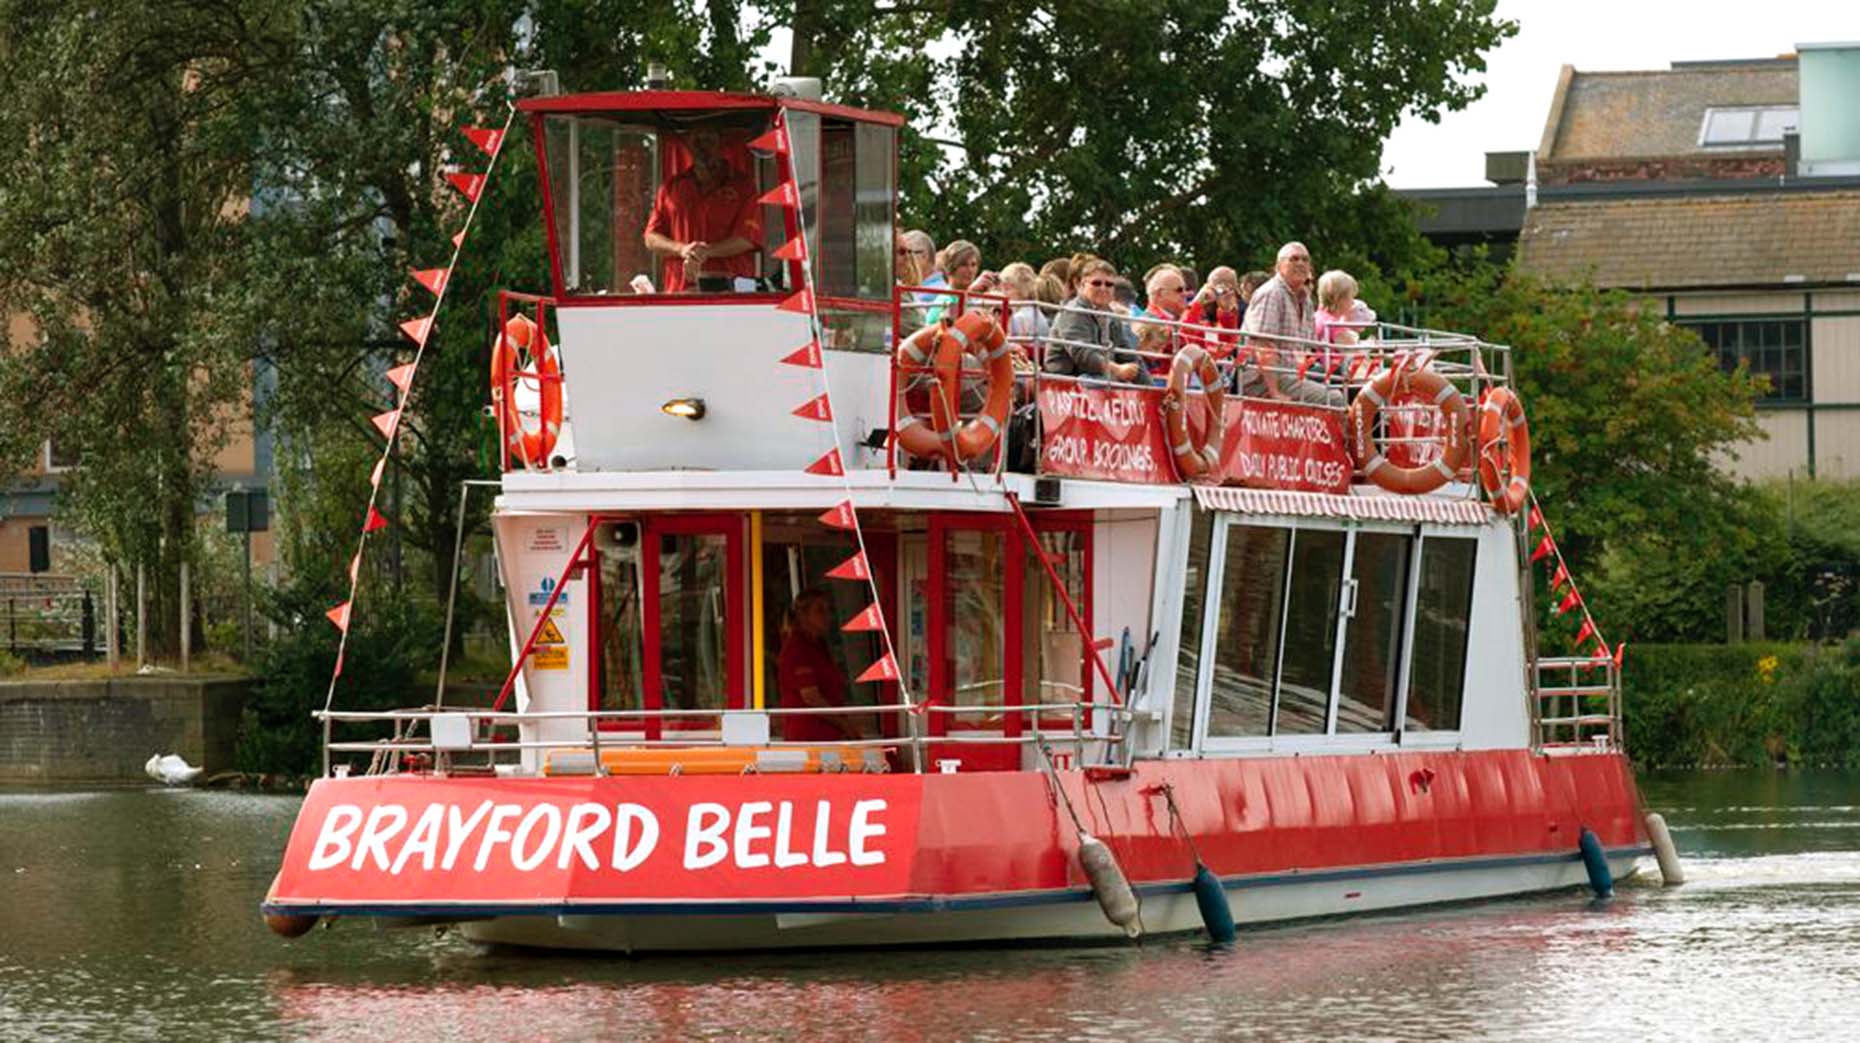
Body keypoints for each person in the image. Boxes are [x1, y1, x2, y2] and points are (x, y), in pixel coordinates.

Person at [642, 126, 763, 293]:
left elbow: (747, 239)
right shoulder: (671, 188)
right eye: (696, 141)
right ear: (688, 145)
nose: (702, 146)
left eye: (708, 140)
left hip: (732, 293)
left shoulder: (744, 186)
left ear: (720, 142)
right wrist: (682, 250)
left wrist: (704, 252)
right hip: (679, 292)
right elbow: (651, 238)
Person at [1238, 242, 1342, 406]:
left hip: (1292, 375)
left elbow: (1306, 350)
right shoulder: (1271, 293)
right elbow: (1262, 346)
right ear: (1279, 266)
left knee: (1347, 387)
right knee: (1335, 399)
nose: (1300, 263)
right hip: (1263, 380)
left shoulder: (1305, 299)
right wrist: (1274, 392)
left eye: (1305, 260)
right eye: (1294, 259)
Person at [776, 589, 859, 742]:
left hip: (829, 735)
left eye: (829, 610)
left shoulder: (819, 645)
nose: (827, 617)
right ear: (803, 616)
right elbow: (811, 697)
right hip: (809, 738)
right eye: (820, 611)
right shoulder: (797, 648)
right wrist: (845, 725)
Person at [1044, 258, 1146, 384]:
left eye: (1109, 284)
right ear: (1082, 285)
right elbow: (1082, 353)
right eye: (1097, 283)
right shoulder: (1073, 312)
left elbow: (1128, 355)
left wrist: (1155, 394)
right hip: (1067, 382)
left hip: (1100, 378)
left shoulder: (1112, 317)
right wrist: (1117, 369)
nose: (1103, 288)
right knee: (1100, 382)